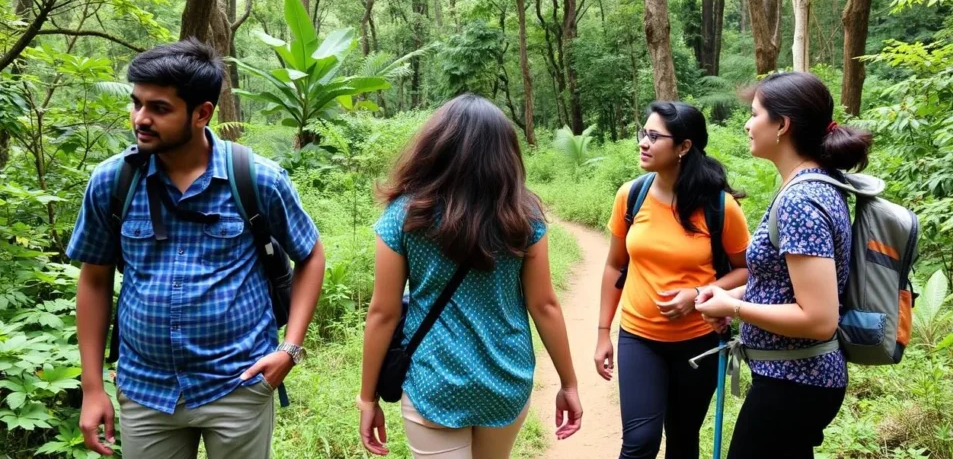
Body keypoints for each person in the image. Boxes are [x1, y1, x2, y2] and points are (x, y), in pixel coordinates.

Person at [69, 39, 326, 459]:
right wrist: (93, 387)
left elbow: (310, 255)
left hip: (238, 381)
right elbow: (94, 280)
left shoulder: (257, 179)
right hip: (145, 390)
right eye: (136, 103)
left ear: (202, 113)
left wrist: (290, 349)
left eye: (159, 108)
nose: (140, 119)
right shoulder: (112, 182)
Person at [357, 94, 583, 459]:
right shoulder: (524, 216)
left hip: (435, 377)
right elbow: (544, 305)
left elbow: (382, 313)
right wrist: (568, 383)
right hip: (505, 376)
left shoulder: (405, 215)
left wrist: (367, 398)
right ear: (504, 154)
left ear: (434, 147)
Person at [695, 71, 872, 459]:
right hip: (794, 378)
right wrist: (727, 293)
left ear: (782, 125)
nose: (746, 123)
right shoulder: (814, 183)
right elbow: (783, 283)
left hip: (796, 381)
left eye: (755, 113)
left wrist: (733, 308)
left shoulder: (800, 200)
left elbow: (819, 317)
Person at [594, 101, 751, 459]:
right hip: (639, 338)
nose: (643, 143)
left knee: (683, 439)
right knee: (640, 442)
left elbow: (745, 270)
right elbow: (615, 266)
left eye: (654, 136)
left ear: (684, 147)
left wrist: (698, 293)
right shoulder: (630, 196)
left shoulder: (719, 206)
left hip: (698, 343)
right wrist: (603, 333)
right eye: (643, 133)